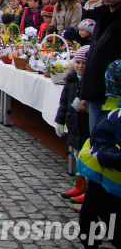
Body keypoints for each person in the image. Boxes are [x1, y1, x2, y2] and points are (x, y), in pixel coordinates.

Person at [76, 60, 121, 246]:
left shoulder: (113, 109)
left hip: (104, 171)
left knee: (95, 211)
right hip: (105, 172)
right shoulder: (114, 110)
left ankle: (90, 240)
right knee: (96, 211)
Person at [79, 0, 121, 135]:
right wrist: (85, 90)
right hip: (96, 94)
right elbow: (95, 55)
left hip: (114, 99)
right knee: (97, 146)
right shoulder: (103, 16)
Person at [55, 46, 91, 205]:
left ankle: (89, 188)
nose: (80, 66)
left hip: (87, 125)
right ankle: (79, 184)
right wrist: (60, 120)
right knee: (78, 155)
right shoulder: (70, 80)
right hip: (74, 123)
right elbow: (63, 103)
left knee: (88, 157)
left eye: (84, 63)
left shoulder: (91, 82)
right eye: (78, 62)